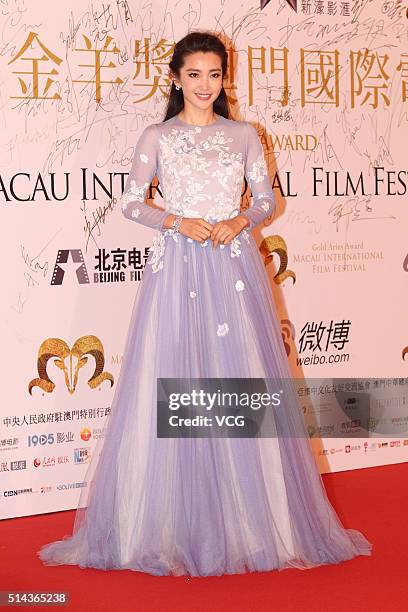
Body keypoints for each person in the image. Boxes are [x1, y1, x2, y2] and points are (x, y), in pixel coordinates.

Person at [37, 31, 373, 576]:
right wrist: (176, 220)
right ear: (175, 78)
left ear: (225, 78)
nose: (205, 85)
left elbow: (265, 199)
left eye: (214, 75)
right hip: (178, 269)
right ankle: (168, 524)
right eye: (194, 75)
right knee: (175, 376)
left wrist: (241, 219)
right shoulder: (157, 137)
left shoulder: (243, 135)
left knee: (243, 378)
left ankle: (254, 522)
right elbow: (131, 202)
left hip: (234, 265)